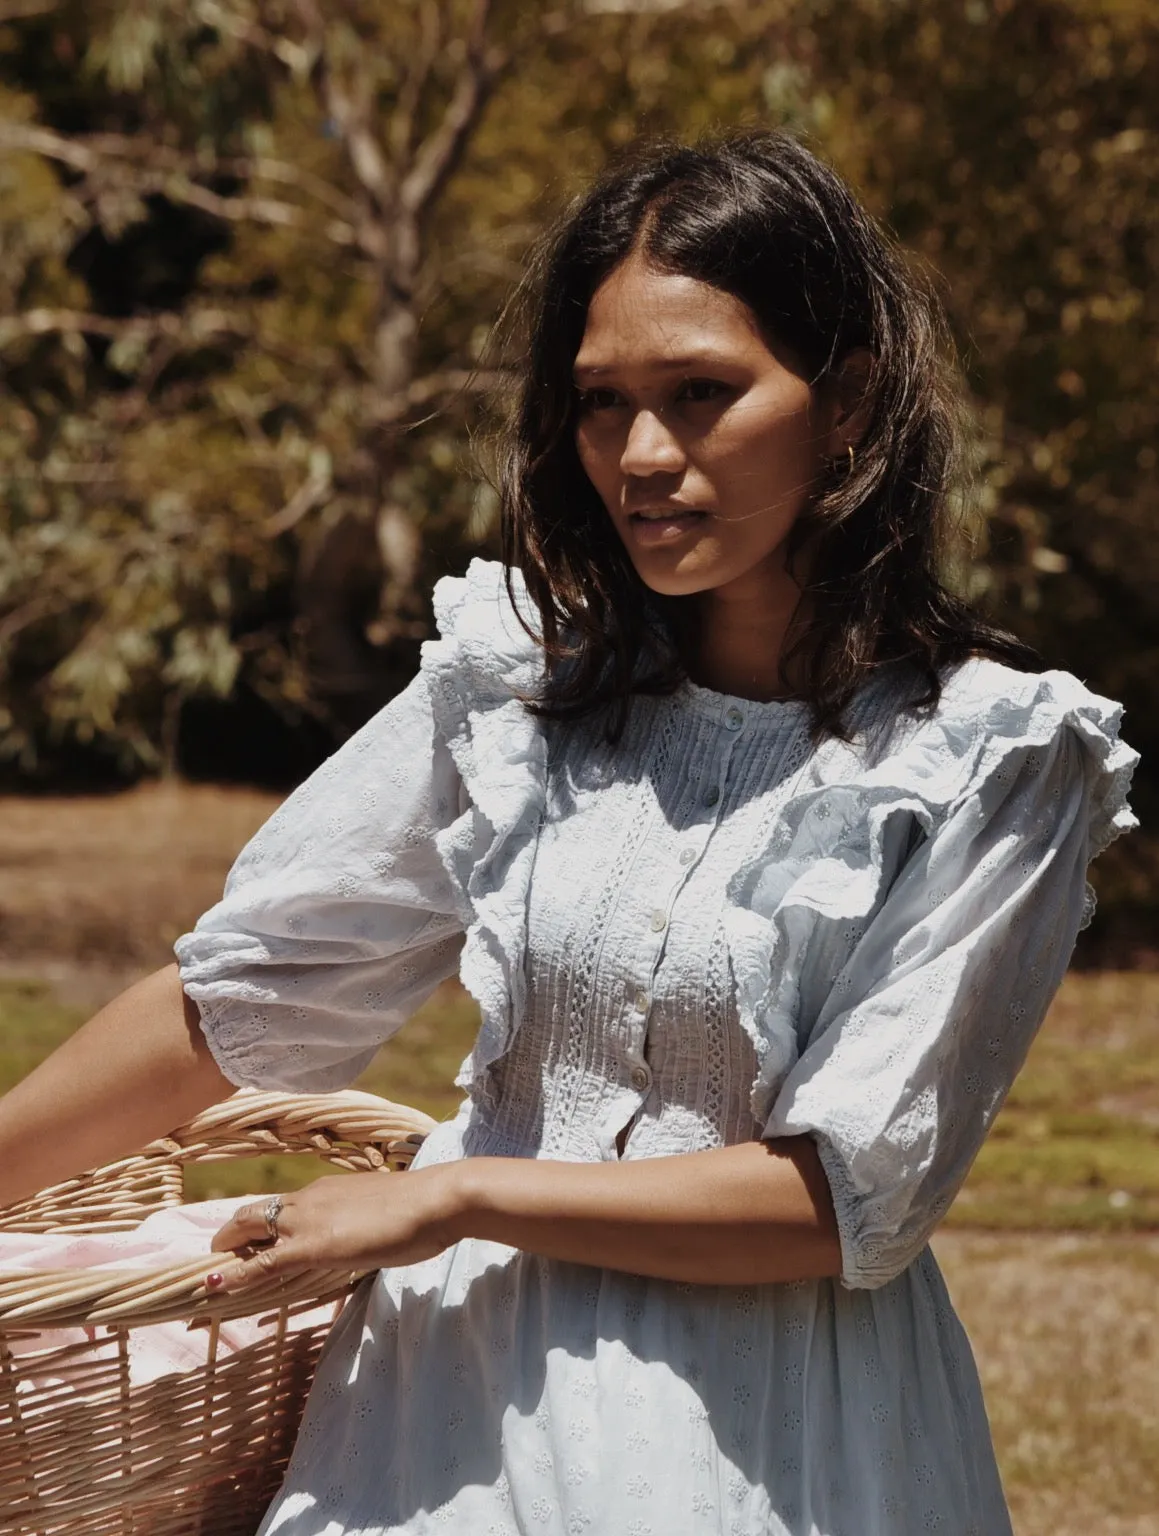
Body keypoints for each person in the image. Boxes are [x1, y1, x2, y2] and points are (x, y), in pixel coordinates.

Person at [0, 130, 1139, 1536]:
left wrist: (457, 1196)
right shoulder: (517, 682)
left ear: (844, 402)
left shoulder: (991, 760)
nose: (641, 456)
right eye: (601, 402)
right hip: (445, 1415)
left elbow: (846, 1202)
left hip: (768, 1430)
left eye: (701, 394)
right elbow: (241, 998)